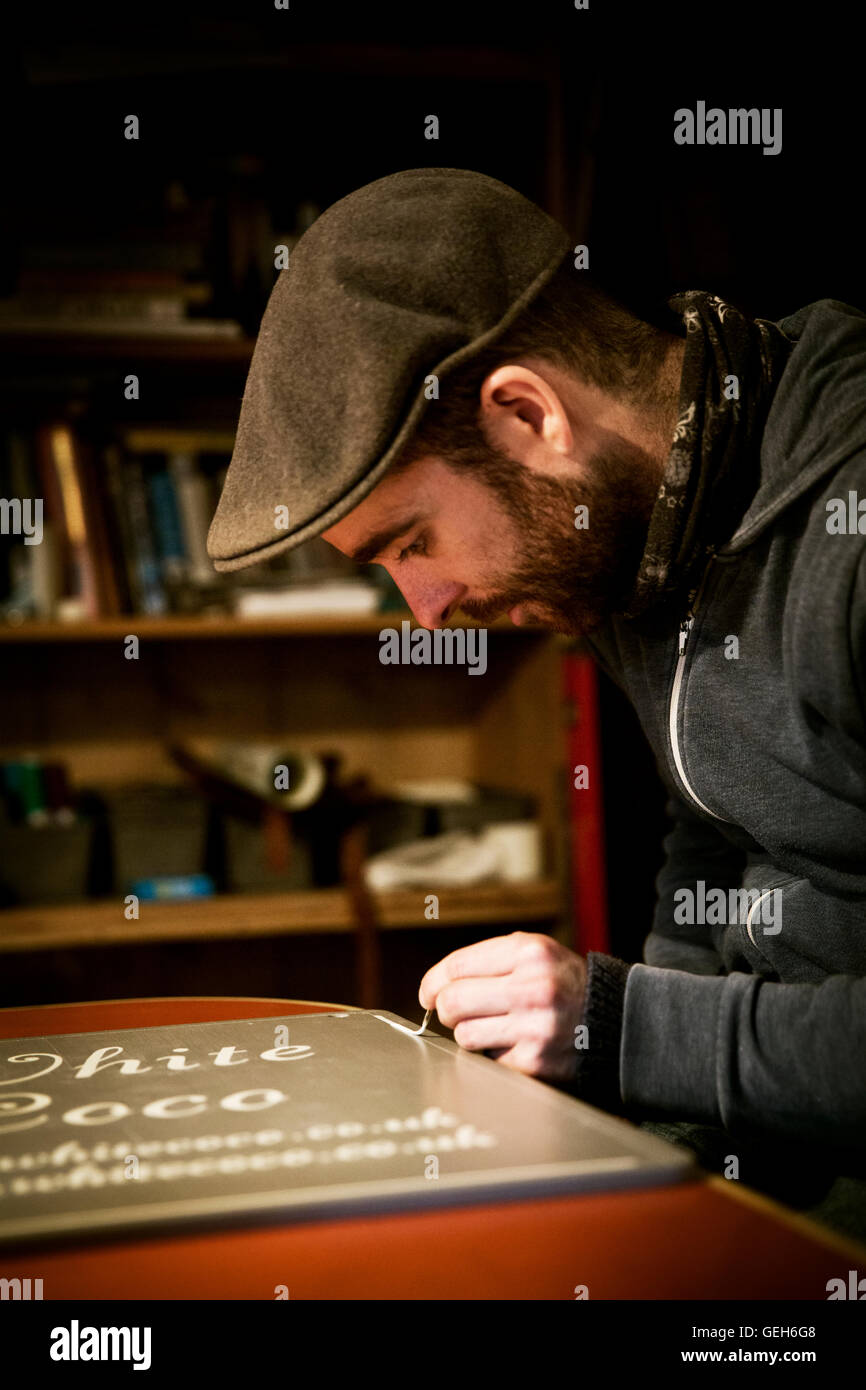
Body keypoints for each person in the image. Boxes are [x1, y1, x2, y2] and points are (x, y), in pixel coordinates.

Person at [208, 168, 866, 1241]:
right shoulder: (625, 537)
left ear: (527, 414)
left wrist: (623, 1028)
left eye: (410, 542)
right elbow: (714, 831)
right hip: (781, 1153)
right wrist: (659, 1137)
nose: (423, 612)